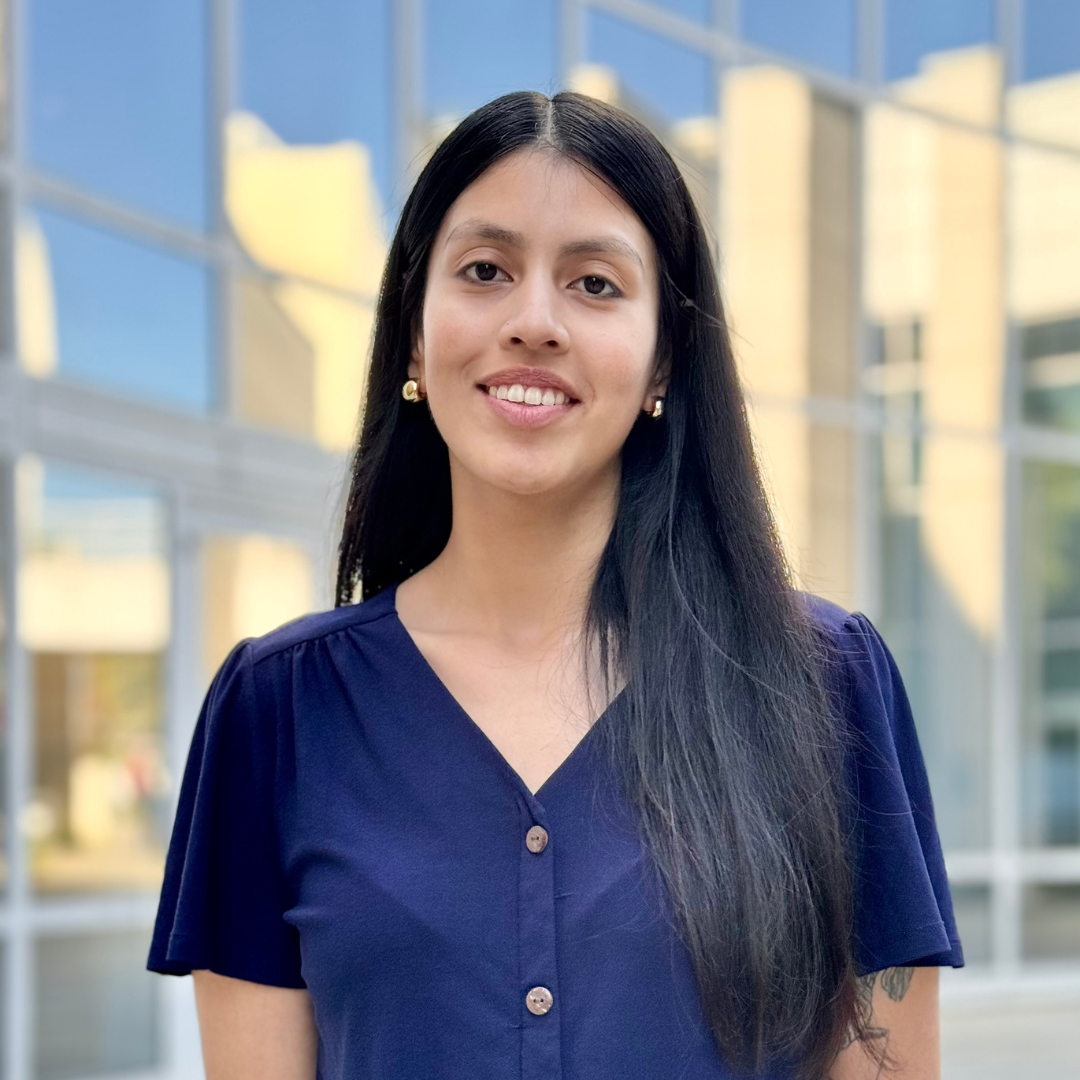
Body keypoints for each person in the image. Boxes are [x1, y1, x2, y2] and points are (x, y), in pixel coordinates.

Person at [147, 90, 962, 1080]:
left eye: (595, 284)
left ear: (665, 358)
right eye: (485, 271)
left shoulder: (826, 684)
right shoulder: (276, 712)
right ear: (412, 335)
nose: (534, 322)